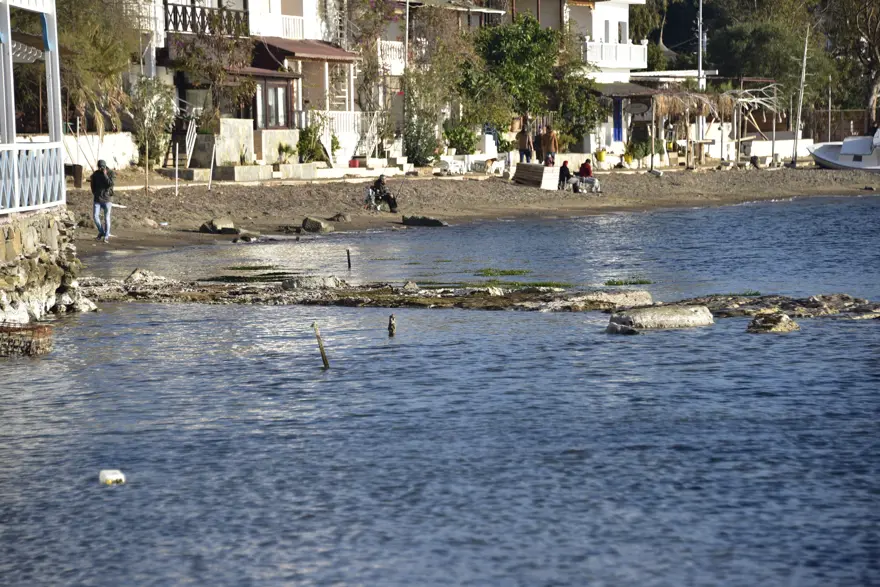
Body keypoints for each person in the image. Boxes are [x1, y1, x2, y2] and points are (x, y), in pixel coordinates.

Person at [90, 160, 114, 242]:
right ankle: (101, 232)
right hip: (97, 199)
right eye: (99, 167)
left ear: (105, 166)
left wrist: (105, 175)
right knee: (95, 217)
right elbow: (92, 185)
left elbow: (110, 184)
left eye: (102, 167)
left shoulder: (110, 173)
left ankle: (106, 235)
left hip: (107, 199)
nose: (100, 168)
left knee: (107, 218)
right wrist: (95, 193)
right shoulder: (95, 174)